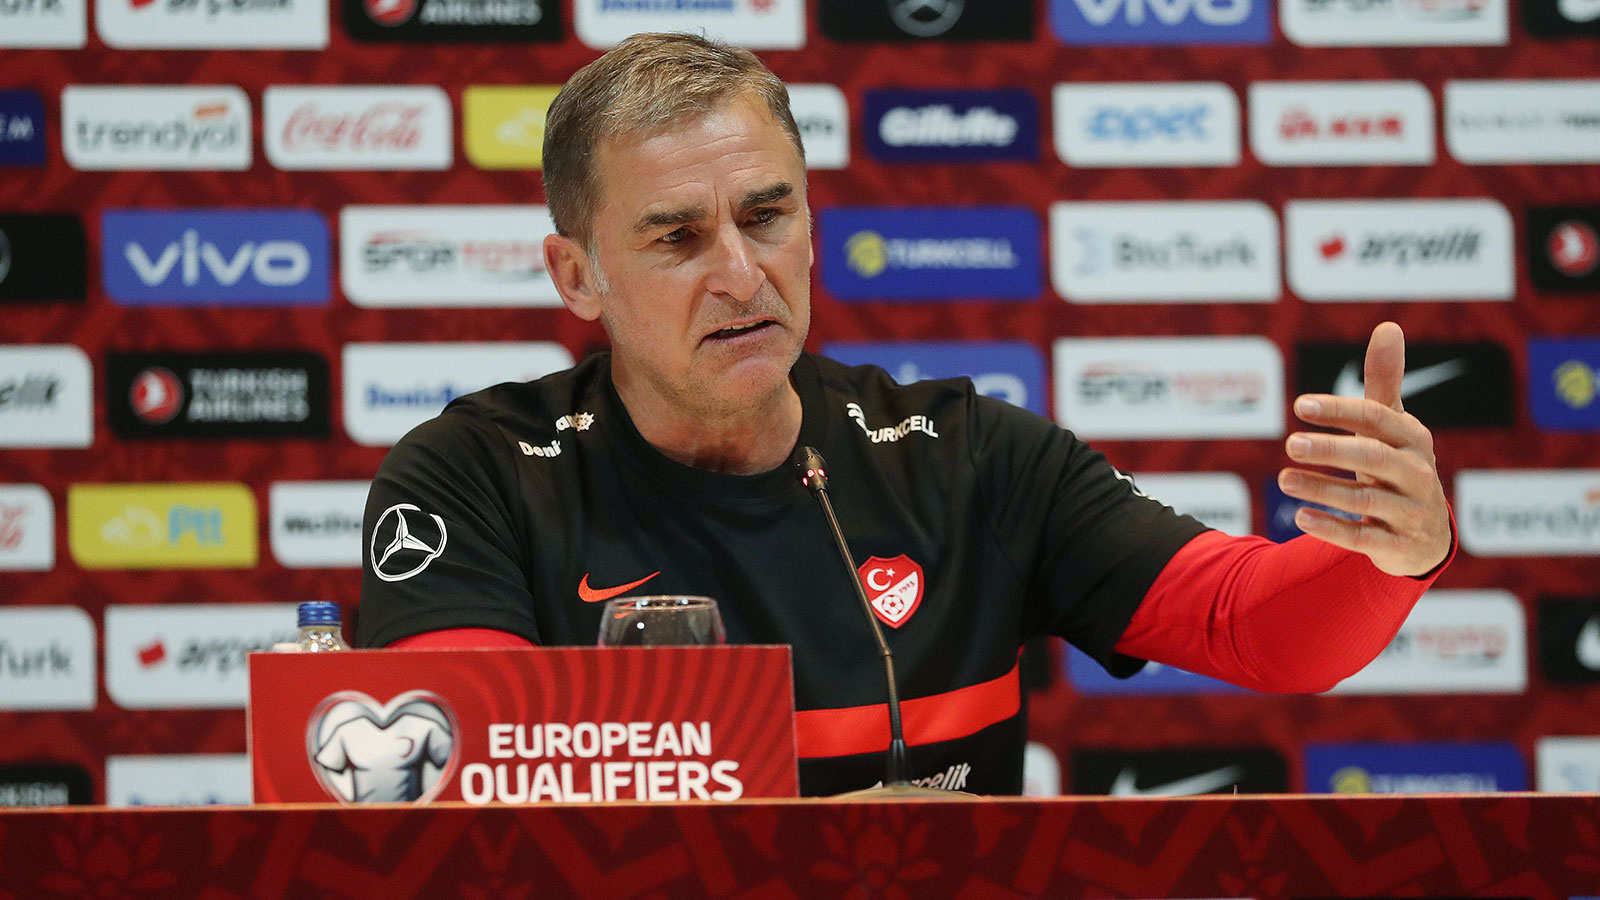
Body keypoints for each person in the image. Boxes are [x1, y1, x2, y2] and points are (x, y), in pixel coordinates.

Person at [355, 32, 1456, 796]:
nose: (740, 273)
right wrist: (834, 852)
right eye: (677, 238)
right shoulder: (474, 477)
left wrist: (1385, 551)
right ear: (577, 275)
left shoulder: (968, 455)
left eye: (766, 216)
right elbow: (462, 790)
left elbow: (1256, 628)